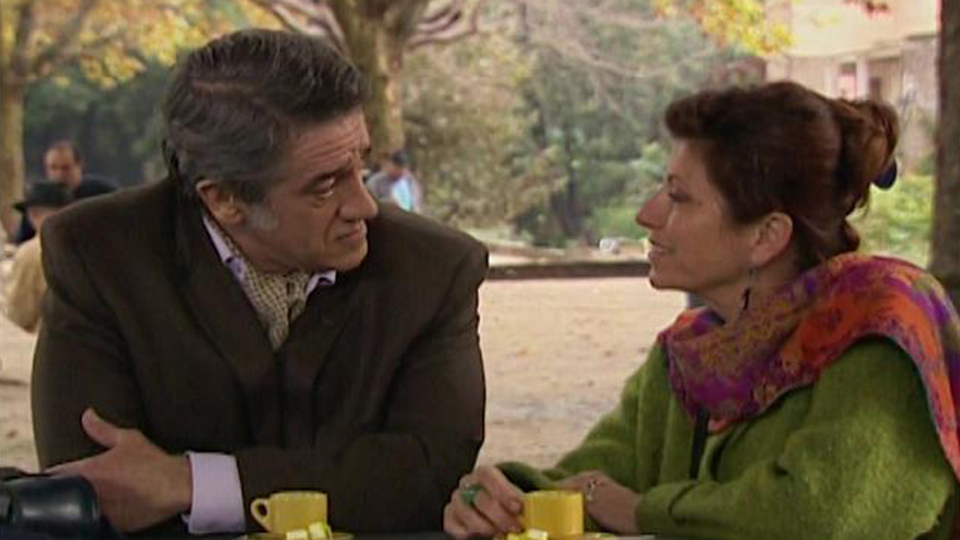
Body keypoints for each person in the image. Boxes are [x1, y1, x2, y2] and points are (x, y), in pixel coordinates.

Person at [444, 81, 959, 540]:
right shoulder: (690, 355)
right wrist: (500, 499)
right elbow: (594, 481)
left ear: (766, 236)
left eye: (678, 197)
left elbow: (822, 517)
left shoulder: (883, 329)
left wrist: (644, 512)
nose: (646, 214)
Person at [31, 29, 487, 536]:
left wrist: (191, 483)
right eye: (325, 185)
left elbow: (428, 477)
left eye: (360, 163)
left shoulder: (435, 269)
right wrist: (345, 483)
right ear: (224, 199)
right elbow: (97, 489)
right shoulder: (99, 255)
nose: (364, 205)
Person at [12, 141, 116, 244]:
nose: (59, 174)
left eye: (66, 168)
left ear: (80, 166)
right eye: (53, 168)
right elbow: (23, 240)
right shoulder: (38, 200)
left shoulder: (103, 194)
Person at [3, 182, 72, 332]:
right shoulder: (89, 246)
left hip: (46, 337)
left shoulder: (31, 252)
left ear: (33, 213)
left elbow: (20, 314)